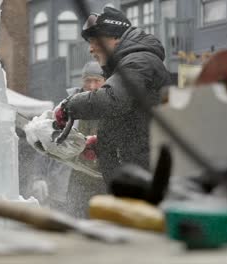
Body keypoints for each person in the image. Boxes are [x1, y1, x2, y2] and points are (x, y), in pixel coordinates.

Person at [55, 7, 171, 186]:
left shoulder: (139, 62)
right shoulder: (129, 65)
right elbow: (134, 123)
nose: (91, 49)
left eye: (95, 41)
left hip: (146, 179)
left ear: (115, 38)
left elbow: (113, 100)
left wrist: (69, 105)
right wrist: (103, 142)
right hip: (137, 177)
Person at [65, 61, 107, 218]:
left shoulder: (114, 105)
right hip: (76, 174)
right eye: (88, 81)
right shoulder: (70, 104)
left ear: (105, 82)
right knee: (75, 217)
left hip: (102, 176)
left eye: (97, 81)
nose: (92, 86)